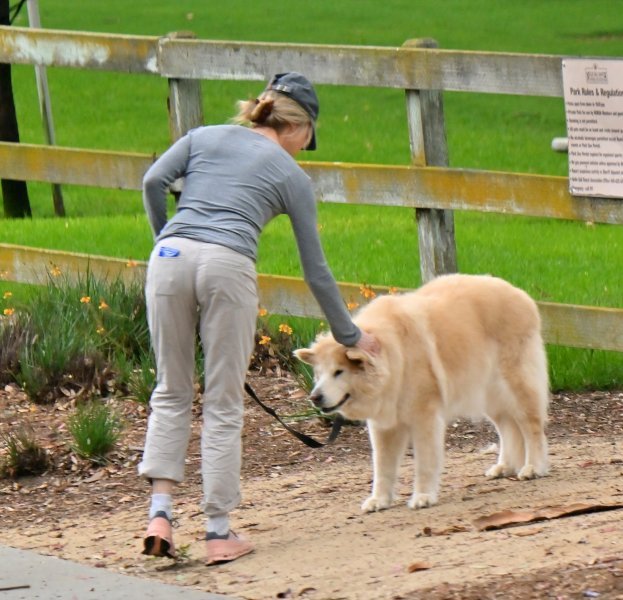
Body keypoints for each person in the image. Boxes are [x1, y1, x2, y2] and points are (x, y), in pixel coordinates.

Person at [138, 72, 378, 565]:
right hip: (228, 264)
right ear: (300, 126)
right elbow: (316, 270)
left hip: (169, 257)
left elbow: (152, 181)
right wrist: (352, 335)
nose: (305, 148)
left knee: (171, 388)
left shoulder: (201, 136)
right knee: (223, 401)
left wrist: (167, 238)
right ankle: (217, 531)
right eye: (309, 138)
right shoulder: (291, 175)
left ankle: (159, 512)